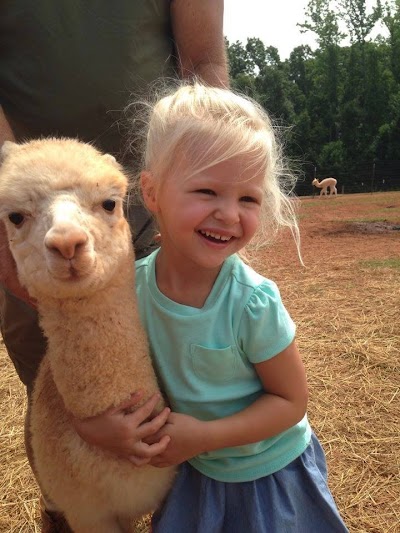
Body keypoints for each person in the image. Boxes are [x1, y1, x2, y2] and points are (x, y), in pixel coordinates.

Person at [75, 83, 348, 532]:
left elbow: (290, 401)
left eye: (248, 198)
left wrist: (204, 436)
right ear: (152, 192)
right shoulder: (129, 291)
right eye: (206, 191)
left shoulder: (252, 302)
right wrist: (98, 430)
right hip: (194, 476)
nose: (229, 214)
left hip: (269, 477)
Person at [0, 2, 228, 530]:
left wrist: (209, 197)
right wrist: (9, 227)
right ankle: (69, 510)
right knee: (51, 388)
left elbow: (204, 64)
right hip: (26, 218)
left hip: (155, 202)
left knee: (185, 374)